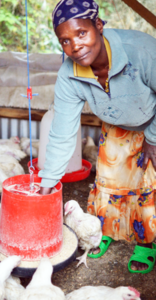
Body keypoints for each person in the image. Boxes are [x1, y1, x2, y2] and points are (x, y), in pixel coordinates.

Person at [39, 0, 156, 274]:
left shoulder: (141, 51)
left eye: (82, 33)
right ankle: (103, 231)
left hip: (152, 122)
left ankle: (146, 242)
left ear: (99, 26)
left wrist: (152, 138)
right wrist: (48, 182)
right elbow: (62, 131)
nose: (75, 46)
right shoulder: (69, 74)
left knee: (147, 185)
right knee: (108, 183)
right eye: (64, 40)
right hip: (116, 125)